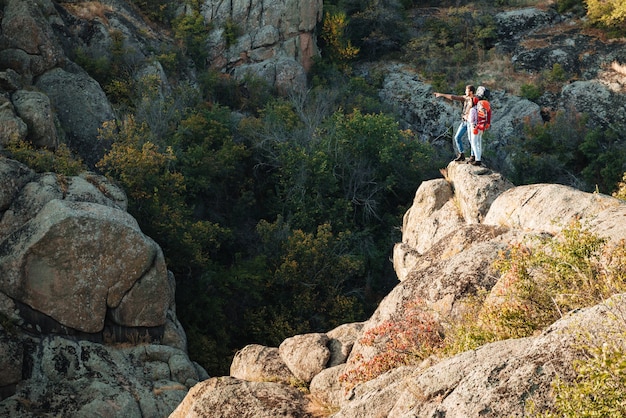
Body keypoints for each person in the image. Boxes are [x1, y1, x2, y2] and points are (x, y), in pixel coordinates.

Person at [434, 85, 476, 162]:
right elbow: (453, 97)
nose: (465, 92)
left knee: (472, 140)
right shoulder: (465, 98)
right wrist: (441, 94)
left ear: (471, 92)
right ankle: (461, 154)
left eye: (466, 90)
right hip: (464, 121)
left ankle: (473, 156)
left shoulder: (475, 100)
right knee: (457, 137)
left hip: (471, 122)